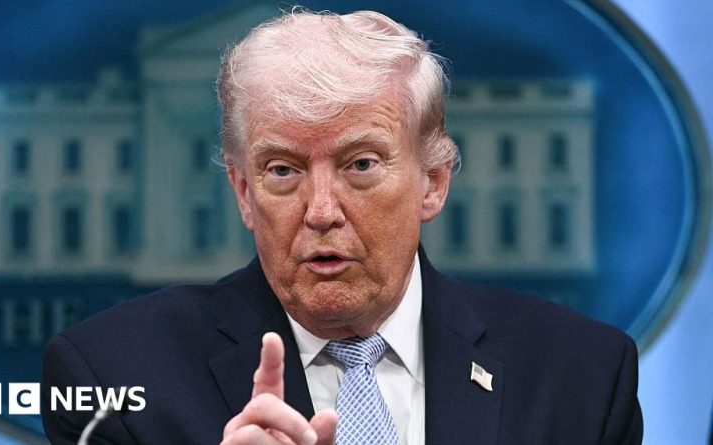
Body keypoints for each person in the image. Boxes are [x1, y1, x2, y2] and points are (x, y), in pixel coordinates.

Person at [41, 9, 642, 445]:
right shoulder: (112, 379)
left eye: (360, 164)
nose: (321, 209)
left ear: (433, 182)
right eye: (283, 170)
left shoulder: (580, 376)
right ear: (244, 194)